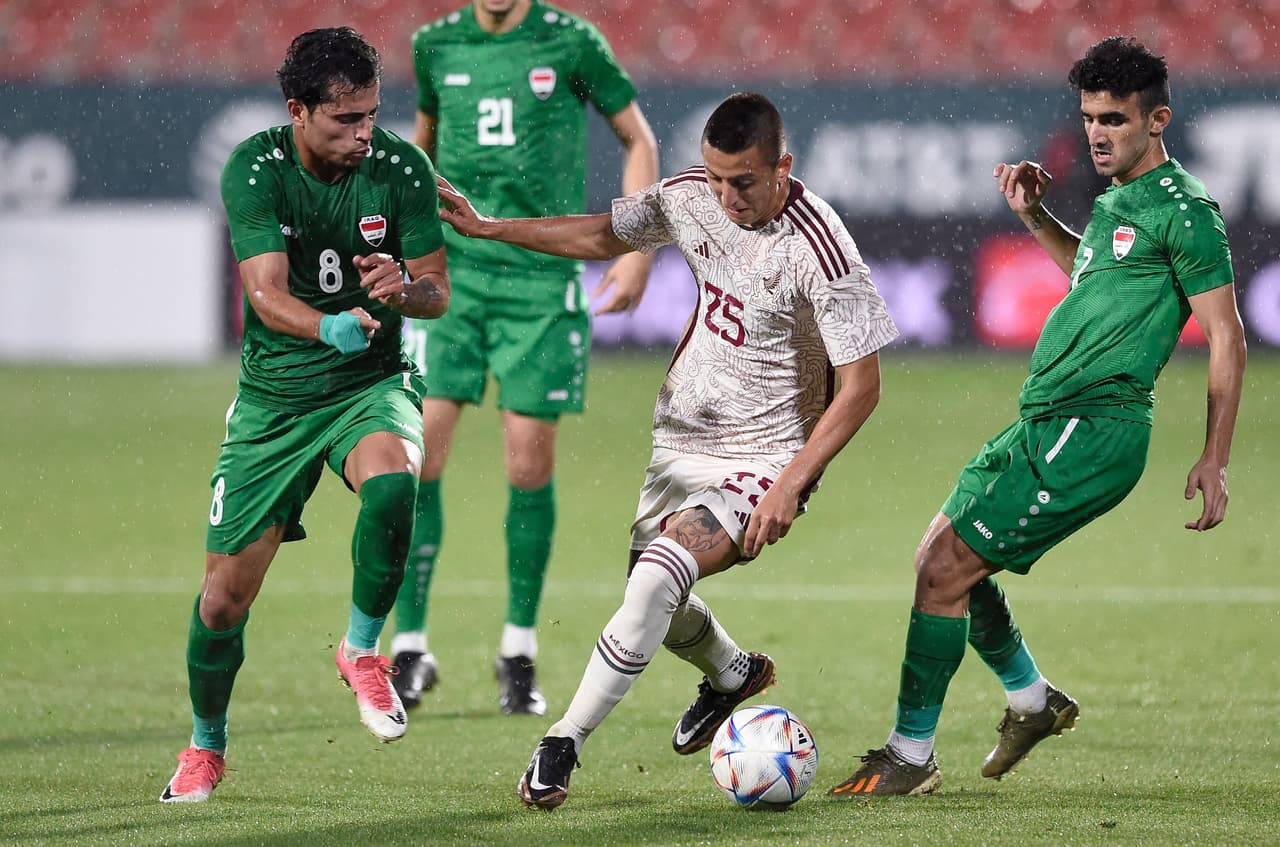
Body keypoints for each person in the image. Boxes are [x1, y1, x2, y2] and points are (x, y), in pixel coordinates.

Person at [437, 91, 900, 809]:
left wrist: (792, 482)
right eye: (715, 178)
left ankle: (563, 739)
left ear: (783, 165)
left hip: (765, 455)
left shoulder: (821, 245)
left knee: (657, 578)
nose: (725, 196)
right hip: (678, 440)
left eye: (742, 181)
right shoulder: (691, 197)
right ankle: (734, 673)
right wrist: (492, 228)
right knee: (652, 596)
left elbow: (862, 386)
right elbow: (603, 234)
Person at [829, 36, 1246, 798]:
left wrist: (1214, 456)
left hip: (1094, 429)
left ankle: (910, 755)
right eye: (1089, 117)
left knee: (941, 570)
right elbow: (1094, 275)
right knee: (943, 554)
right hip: (1046, 418)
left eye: (1114, 120)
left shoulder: (1187, 211)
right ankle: (1032, 699)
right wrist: (1033, 216)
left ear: (1159, 120)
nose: (1097, 133)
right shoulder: (1120, 201)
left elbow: (1227, 336)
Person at [159, 27, 450, 804]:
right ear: (297, 110)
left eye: (372, 114)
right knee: (222, 599)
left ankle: (361, 651)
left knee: (395, 486)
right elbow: (263, 293)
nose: (365, 133)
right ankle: (205, 747)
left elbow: (437, 291)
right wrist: (330, 323)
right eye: (345, 119)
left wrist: (400, 289)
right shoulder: (255, 168)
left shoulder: (400, 167)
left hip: (370, 383)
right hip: (276, 401)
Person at [391, 0, 659, 717]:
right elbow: (419, 150)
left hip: (539, 281)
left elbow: (639, 139)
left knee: (526, 463)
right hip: (450, 277)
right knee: (420, 455)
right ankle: (409, 645)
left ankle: (518, 649)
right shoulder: (435, 46)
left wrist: (635, 248)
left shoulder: (571, 42)